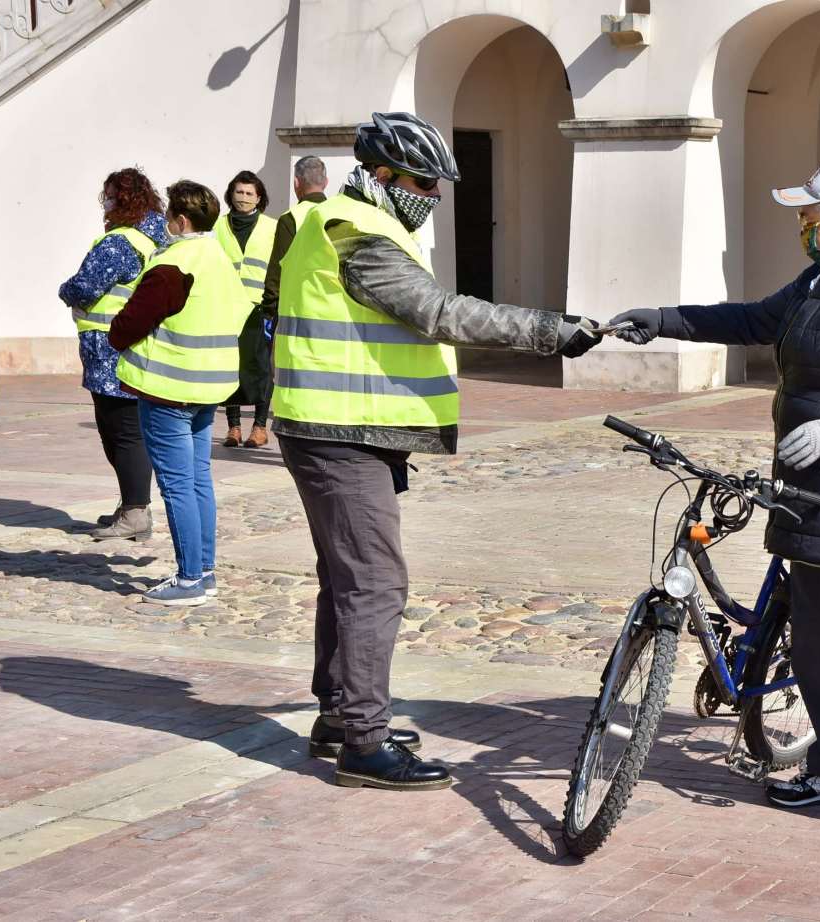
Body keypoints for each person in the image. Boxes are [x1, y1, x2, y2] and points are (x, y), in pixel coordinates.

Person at [272, 111, 602, 791]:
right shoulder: (355, 231)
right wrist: (549, 330)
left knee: (347, 579)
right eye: (425, 181)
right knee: (375, 584)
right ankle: (364, 743)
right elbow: (438, 312)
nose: (436, 196)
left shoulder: (347, 220)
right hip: (341, 429)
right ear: (382, 174)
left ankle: (341, 715)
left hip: (342, 424)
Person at [611, 161, 820, 835]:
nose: (802, 228)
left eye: (809, 218)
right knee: (818, 648)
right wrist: (665, 319)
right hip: (810, 496)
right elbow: (754, 318)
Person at [108, 180, 250, 606]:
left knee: (177, 486)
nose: (165, 222)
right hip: (211, 385)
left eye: (169, 215)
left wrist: (115, 331)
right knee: (198, 480)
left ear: (181, 220)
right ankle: (205, 570)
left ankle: (190, 578)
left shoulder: (174, 264)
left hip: (170, 389)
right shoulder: (219, 257)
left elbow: (128, 325)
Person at [58, 168, 170, 540]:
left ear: (121, 199)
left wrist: (65, 289)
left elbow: (84, 285)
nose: (103, 203)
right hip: (131, 344)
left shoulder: (119, 242)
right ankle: (131, 503)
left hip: (109, 347)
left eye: (107, 196)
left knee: (120, 431)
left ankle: (137, 511)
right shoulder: (154, 237)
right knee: (126, 429)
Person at [216, 170, 278, 448]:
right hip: (226, 305)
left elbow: (278, 266)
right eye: (239, 192)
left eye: (248, 193)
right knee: (230, 366)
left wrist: (272, 304)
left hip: (259, 308)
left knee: (261, 367)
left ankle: (260, 426)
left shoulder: (271, 227)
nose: (243, 198)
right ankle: (233, 427)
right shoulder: (218, 227)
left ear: (259, 197)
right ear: (231, 194)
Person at [258, 155, 328, 328]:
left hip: (296, 309)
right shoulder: (338, 212)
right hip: (330, 306)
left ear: (296, 182)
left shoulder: (291, 218)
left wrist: (268, 310)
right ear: (325, 182)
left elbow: (278, 269)